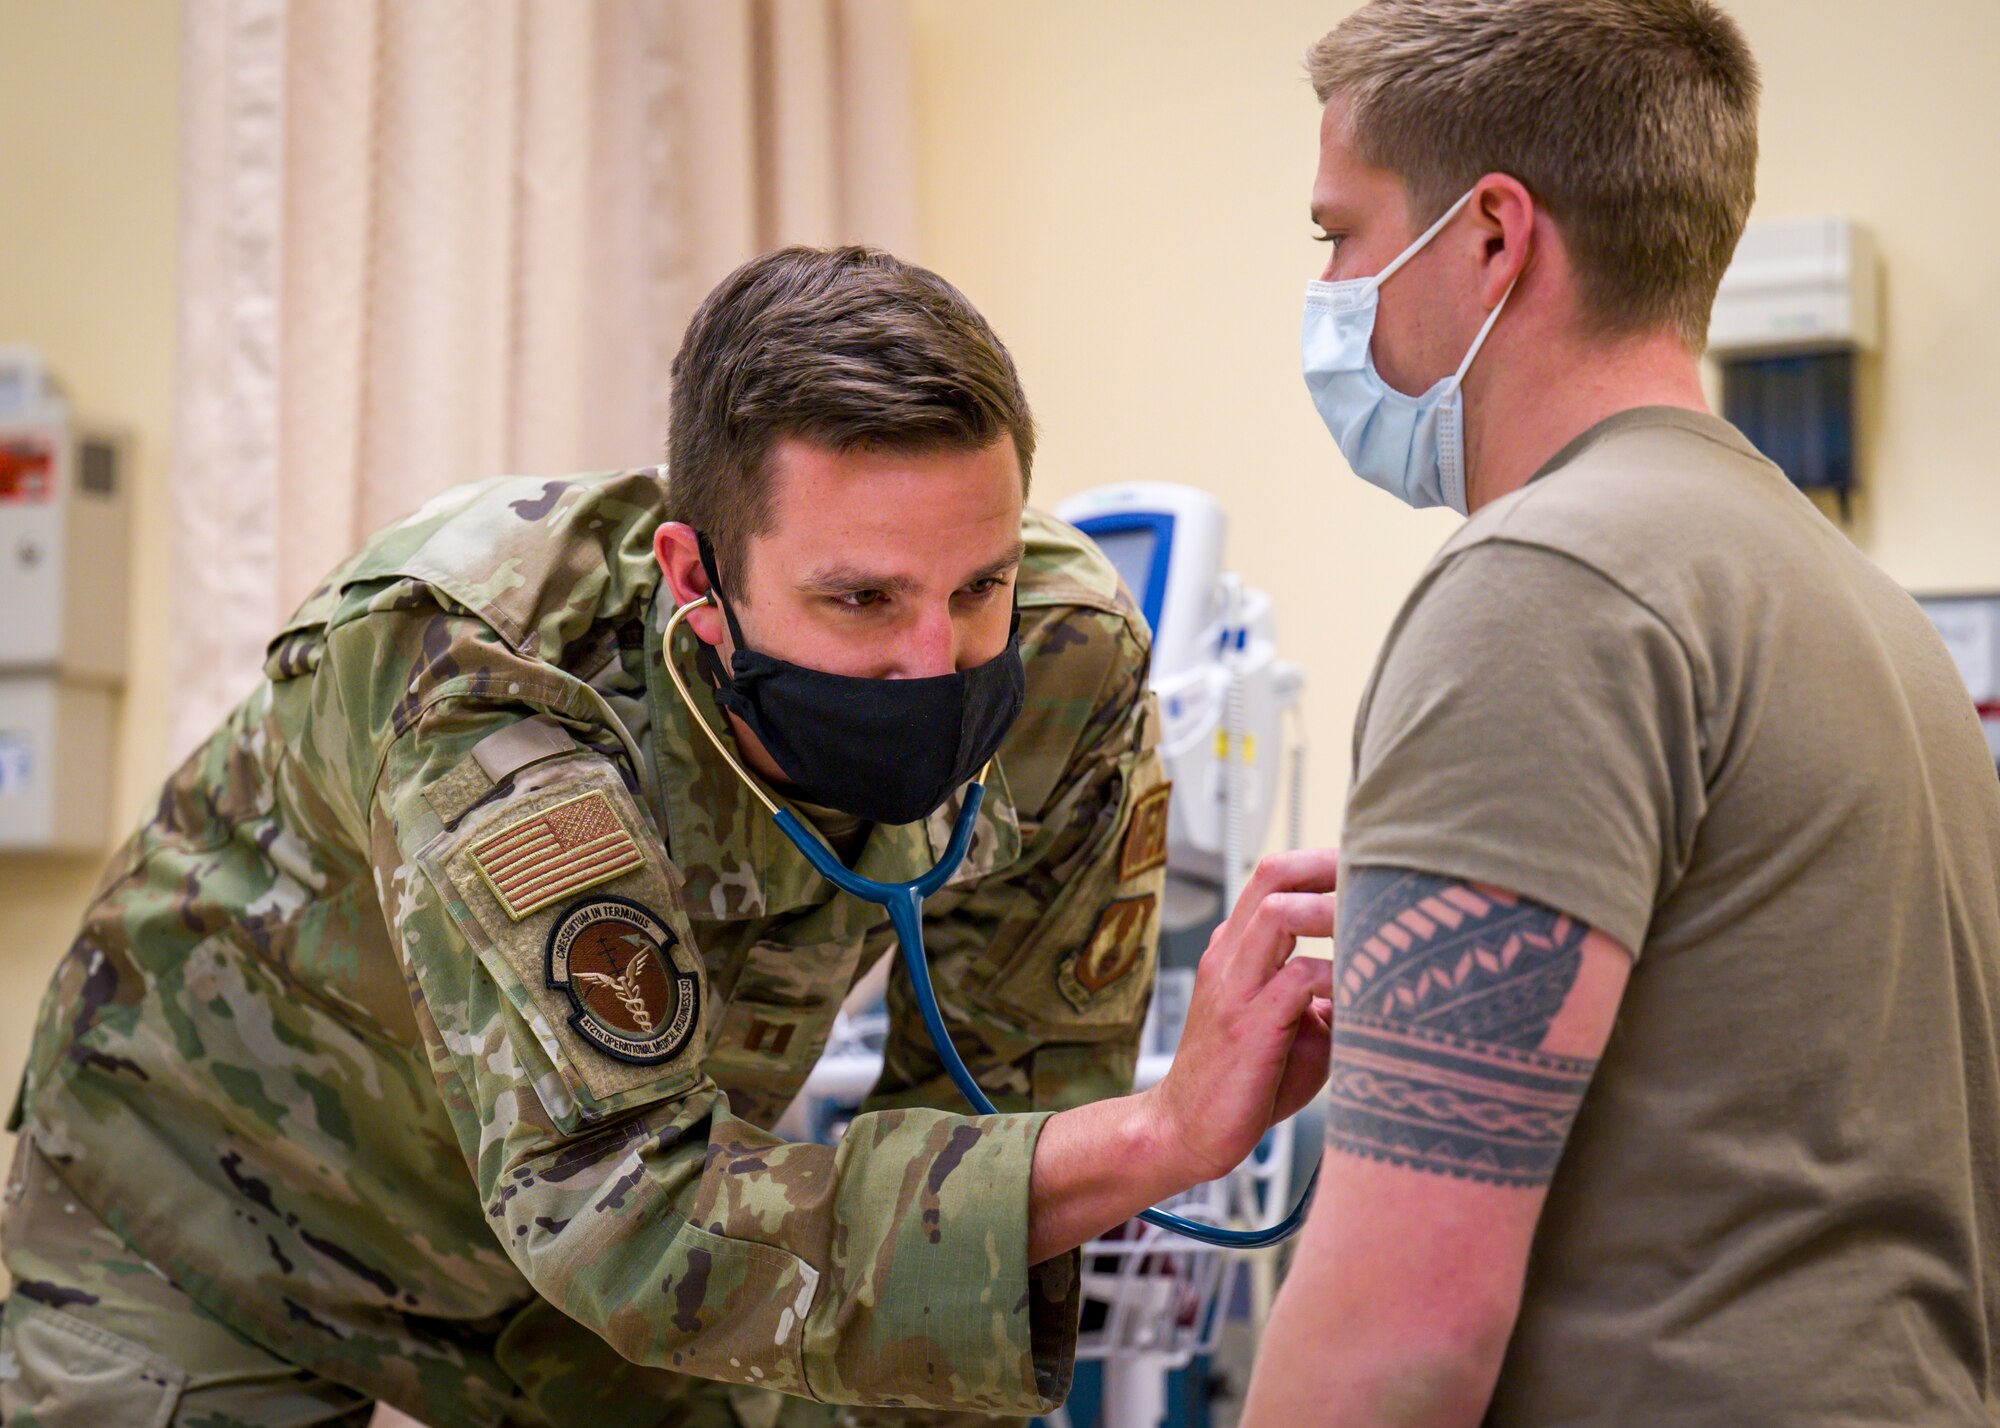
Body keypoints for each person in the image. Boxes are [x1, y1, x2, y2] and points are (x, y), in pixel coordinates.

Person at [1, 247, 1337, 1427]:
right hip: (215, 1202)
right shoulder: (491, 675)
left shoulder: (1061, 659)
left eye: (975, 585)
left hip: (592, 1242)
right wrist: (1166, 1133)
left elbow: (1008, 1126)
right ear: (698, 579)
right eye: (861, 600)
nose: (935, 661)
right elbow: (625, 1210)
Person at [1244, 2, 2000, 1424]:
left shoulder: (1546, 588)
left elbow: (1397, 1335)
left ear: (1489, 238)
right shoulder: (1856, 605)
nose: (1334, 288)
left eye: (1338, 236)